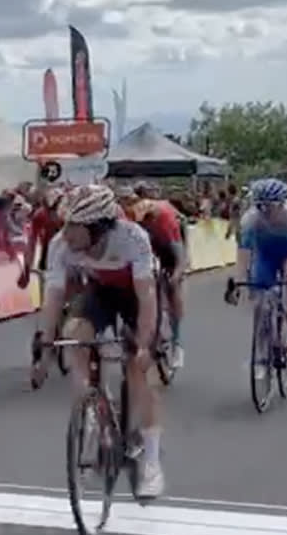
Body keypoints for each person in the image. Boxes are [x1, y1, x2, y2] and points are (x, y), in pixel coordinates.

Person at [32, 184, 163, 499]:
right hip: (99, 291)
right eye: (65, 224)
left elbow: (146, 299)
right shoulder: (61, 244)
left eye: (74, 227)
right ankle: (92, 407)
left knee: (138, 373)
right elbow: (52, 299)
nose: (66, 234)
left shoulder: (132, 239)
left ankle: (151, 461)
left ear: (99, 228)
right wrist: (44, 354)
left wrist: (144, 345)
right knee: (75, 332)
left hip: (134, 294)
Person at [225, 178, 287, 354]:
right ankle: (264, 347)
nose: (264, 211)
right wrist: (239, 280)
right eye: (260, 206)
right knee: (259, 293)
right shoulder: (251, 219)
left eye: (269, 206)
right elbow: (244, 252)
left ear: (281, 205)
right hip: (266, 254)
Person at [124, 188, 188, 369]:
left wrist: (176, 275)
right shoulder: (132, 217)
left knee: (173, 287)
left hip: (170, 243)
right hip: (147, 246)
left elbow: (179, 256)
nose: (146, 223)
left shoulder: (166, 220)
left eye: (148, 221)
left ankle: (177, 344)